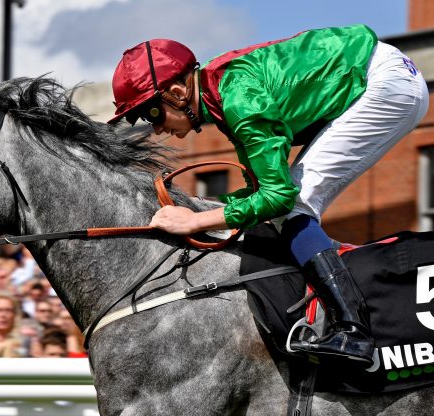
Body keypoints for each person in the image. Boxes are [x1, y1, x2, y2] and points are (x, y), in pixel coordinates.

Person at [108, 25, 430, 366]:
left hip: (385, 85)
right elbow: (263, 192)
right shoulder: (221, 94)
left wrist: (196, 220)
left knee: (295, 207)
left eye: (152, 113)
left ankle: (354, 331)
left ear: (175, 93)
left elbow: (279, 197)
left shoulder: (239, 99)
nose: (156, 128)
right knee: (286, 209)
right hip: (380, 76)